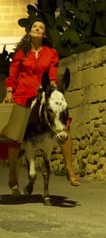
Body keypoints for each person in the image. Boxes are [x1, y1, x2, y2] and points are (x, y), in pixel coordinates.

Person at [3, 18, 80, 191]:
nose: (38, 29)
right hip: (23, 94)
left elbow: (53, 74)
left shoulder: (51, 53)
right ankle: (13, 174)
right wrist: (9, 92)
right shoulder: (20, 53)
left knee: (63, 124)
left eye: (41, 27)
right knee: (15, 134)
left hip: (43, 92)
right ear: (29, 32)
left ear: (44, 34)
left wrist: (52, 87)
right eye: (35, 27)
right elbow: (13, 75)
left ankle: (69, 168)